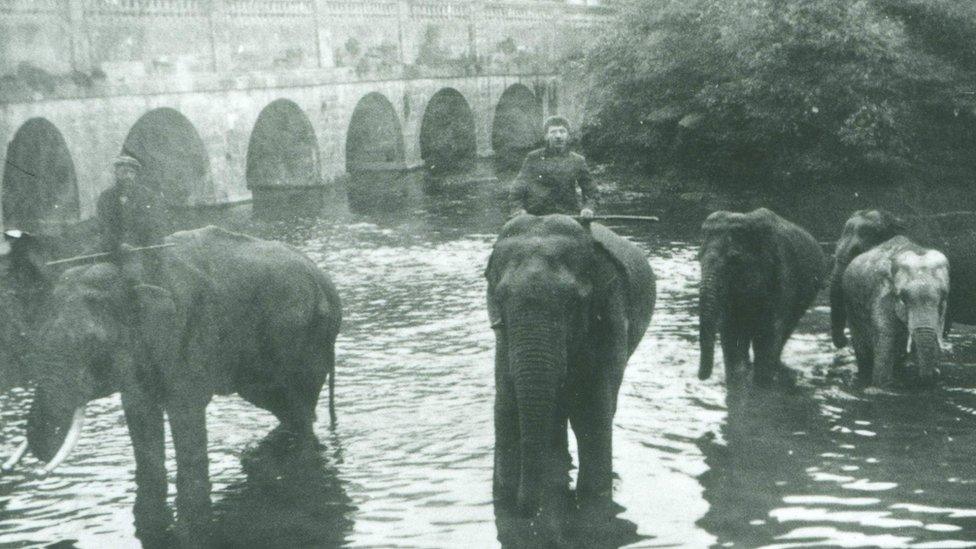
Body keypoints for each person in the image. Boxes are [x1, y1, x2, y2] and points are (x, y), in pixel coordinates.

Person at [95, 154, 168, 288]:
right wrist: (118, 245)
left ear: (136, 175)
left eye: (132, 172)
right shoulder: (106, 197)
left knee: (135, 278)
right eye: (123, 172)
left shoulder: (148, 196)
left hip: (143, 249)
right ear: (116, 173)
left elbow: (155, 225)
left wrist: (145, 248)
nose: (128, 176)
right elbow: (103, 227)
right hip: (113, 249)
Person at [509, 115, 596, 219]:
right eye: (553, 132)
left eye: (562, 131)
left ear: (568, 135)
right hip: (537, 217)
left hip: (568, 216)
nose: (558, 136)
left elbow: (591, 191)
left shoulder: (577, 160)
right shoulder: (533, 158)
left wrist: (588, 208)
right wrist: (518, 209)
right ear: (546, 136)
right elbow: (517, 189)